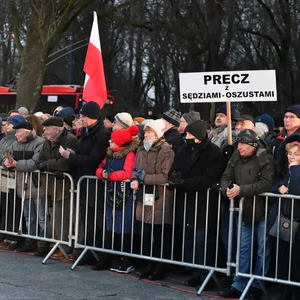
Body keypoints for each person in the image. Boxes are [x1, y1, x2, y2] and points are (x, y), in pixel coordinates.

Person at [168, 120, 227, 289]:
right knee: (189, 239)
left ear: (199, 136)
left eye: (190, 135)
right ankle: (194, 271)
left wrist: (183, 183)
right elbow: (175, 169)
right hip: (185, 201)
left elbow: (208, 179)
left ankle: (205, 274)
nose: (187, 137)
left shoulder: (214, 153)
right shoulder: (183, 150)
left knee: (202, 240)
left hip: (203, 203)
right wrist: (173, 179)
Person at [219, 129, 274, 299]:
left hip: (263, 210)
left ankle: (257, 284)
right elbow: (225, 177)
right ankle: (239, 283)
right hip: (244, 209)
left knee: (262, 250)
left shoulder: (265, 157)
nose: (239, 147)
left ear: (252, 145)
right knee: (243, 248)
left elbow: (266, 183)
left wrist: (240, 190)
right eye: (238, 144)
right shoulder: (236, 156)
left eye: (242, 144)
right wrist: (227, 189)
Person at [60, 101, 110, 250]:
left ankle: (99, 250)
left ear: (92, 117)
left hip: (94, 183)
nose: (81, 119)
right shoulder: (87, 132)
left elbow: (93, 160)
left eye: (83, 116)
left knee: (96, 219)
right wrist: (75, 154)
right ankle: (88, 249)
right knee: (87, 218)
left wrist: (70, 157)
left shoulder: (102, 135)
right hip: (84, 182)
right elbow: (85, 155)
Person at [130, 119, 174, 280]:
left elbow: (165, 175)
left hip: (160, 197)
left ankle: (160, 266)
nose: (145, 134)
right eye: (145, 131)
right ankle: (149, 264)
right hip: (144, 196)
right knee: (147, 234)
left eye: (149, 131)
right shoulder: (141, 148)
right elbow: (135, 167)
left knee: (160, 234)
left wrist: (145, 178)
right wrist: (134, 178)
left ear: (157, 134)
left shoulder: (166, 150)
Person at [95, 125, 140, 273]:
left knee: (124, 225)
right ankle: (109, 256)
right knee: (110, 224)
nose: (109, 142)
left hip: (125, 195)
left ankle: (125, 258)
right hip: (111, 194)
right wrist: (104, 174)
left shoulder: (129, 155)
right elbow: (99, 169)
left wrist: (110, 175)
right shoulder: (110, 154)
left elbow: (127, 173)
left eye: (113, 140)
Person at [3, 121, 49, 256]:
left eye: (18, 132)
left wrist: (15, 164)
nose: (16, 134)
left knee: (41, 217)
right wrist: (6, 163)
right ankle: (31, 240)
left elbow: (34, 163)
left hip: (37, 185)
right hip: (22, 185)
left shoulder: (40, 142)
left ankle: (44, 242)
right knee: (29, 216)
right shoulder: (16, 143)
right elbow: (7, 155)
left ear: (27, 132)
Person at [268, 135, 300, 300]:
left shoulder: (296, 171)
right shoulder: (285, 170)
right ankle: (283, 289)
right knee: (282, 257)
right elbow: (275, 187)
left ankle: (295, 291)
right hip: (285, 220)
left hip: (299, 222)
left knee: (296, 259)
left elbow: (297, 190)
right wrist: (279, 188)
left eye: (297, 154)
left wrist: (295, 168)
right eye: (290, 154)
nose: (292, 157)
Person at [39, 117, 79, 259]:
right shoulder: (47, 142)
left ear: (56, 129)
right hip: (52, 185)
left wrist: (48, 164)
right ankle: (62, 245)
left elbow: (65, 163)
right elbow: (40, 159)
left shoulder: (70, 139)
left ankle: (69, 247)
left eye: (47, 129)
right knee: (56, 217)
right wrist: (48, 164)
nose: (44, 131)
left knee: (68, 217)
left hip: (66, 186)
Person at [0, 114, 26, 249]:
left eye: (9, 124)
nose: (6, 126)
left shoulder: (18, 139)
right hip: (0, 179)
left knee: (12, 208)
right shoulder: (4, 139)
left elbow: (9, 156)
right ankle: (4, 233)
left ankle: (13, 236)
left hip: (11, 179)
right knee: (2, 207)